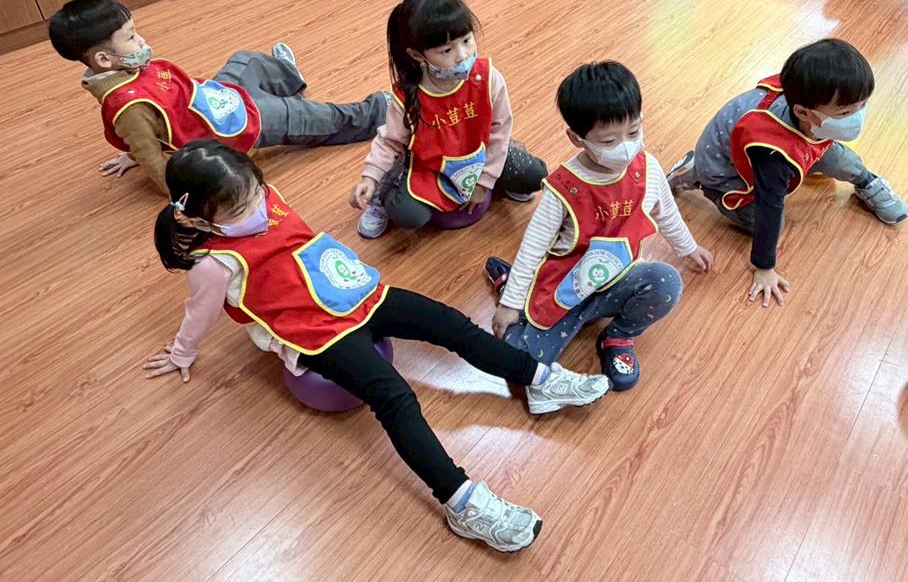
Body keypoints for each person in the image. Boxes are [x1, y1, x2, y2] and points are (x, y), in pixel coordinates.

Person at [144, 140, 610, 552]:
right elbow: (199, 313)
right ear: (194, 218)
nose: (256, 207)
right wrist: (182, 353)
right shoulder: (213, 266)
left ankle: (538, 379)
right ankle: (462, 503)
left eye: (254, 192)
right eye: (240, 209)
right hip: (316, 332)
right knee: (395, 398)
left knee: (451, 324)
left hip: (356, 293)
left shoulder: (263, 197)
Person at [486, 62, 714, 391]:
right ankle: (512, 289)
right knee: (519, 362)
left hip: (615, 281)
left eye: (633, 132)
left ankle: (617, 337)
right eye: (609, 140)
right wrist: (510, 306)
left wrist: (688, 248)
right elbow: (532, 248)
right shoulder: (563, 188)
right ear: (576, 138)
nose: (626, 146)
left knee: (666, 282)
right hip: (562, 291)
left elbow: (665, 211)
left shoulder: (647, 168)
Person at [50, 0, 387, 195]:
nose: (142, 42)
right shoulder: (129, 106)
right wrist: (144, 160)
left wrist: (131, 151)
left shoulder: (124, 69)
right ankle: (378, 111)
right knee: (302, 115)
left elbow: (148, 132)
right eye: (131, 38)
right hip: (229, 129)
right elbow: (152, 156)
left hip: (215, 99)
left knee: (245, 60)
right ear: (104, 59)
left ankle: (288, 77)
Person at [668, 39, 908, 308]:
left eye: (862, 105)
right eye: (846, 112)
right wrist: (764, 267)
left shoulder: (810, 100)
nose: (858, 116)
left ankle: (867, 182)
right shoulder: (772, 154)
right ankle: (695, 172)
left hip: (781, 140)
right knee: (767, 222)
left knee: (838, 158)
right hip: (724, 172)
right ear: (803, 112)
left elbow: (824, 143)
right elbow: (769, 207)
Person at [350, 0, 546, 238]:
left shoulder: (489, 78)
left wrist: (486, 180)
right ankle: (384, 192)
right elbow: (390, 142)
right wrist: (371, 178)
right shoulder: (408, 95)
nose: (462, 55)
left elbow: (500, 131)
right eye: (446, 50)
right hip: (432, 169)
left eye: (466, 40)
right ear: (417, 55)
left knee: (537, 175)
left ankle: (500, 181)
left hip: (479, 156)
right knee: (408, 214)